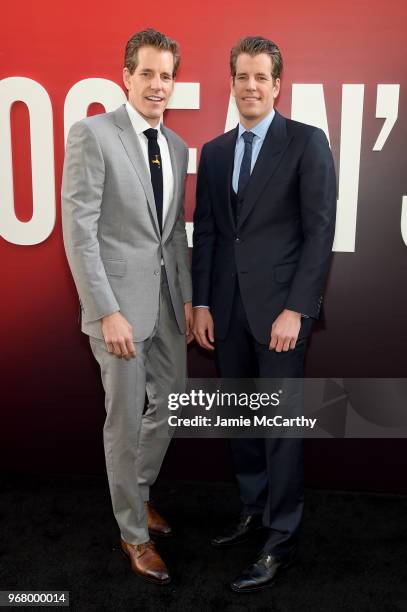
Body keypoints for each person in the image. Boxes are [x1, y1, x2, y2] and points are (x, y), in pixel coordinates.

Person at [192, 35, 336, 592]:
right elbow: (206, 232)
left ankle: (283, 540)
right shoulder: (215, 151)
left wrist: (296, 309)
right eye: (242, 77)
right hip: (225, 314)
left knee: (279, 429)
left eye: (261, 78)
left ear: (278, 86)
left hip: (280, 318)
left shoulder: (306, 143)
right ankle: (254, 511)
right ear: (231, 83)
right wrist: (202, 302)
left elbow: (318, 232)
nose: (250, 86)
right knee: (241, 423)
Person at [62, 28, 192, 586]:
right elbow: (79, 230)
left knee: (174, 402)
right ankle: (132, 533)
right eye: (147, 73)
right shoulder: (93, 134)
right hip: (117, 307)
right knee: (123, 422)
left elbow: (173, 237)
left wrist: (186, 300)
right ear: (127, 76)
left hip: (166, 305)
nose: (157, 85)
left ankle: (135, 497)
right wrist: (106, 309)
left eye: (166, 75)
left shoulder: (179, 145)